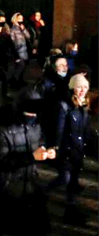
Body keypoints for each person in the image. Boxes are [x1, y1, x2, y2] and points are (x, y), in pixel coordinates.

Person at [0, 102, 55, 235]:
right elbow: (1, 161)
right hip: (9, 185)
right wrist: (31, 156)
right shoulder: (2, 132)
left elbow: (38, 142)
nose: (33, 116)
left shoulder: (33, 127)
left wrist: (46, 151)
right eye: (29, 113)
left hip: (29, 182)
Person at [47, 74, 90, 224]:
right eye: (79, 87)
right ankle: (40, 192)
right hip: (66, 150)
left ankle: (70, 212)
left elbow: (85, 131)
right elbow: (58, 129)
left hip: (77, 151)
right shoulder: (64, 105)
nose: (82, 90)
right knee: (65, 177)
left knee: (73, 182)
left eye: (85, 87)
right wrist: (55, 147)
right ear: (72, 88)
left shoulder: (84, 105)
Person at [8, 12, 31, 89]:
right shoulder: (13, 29)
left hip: (24, 50)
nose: (21, 20)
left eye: (22, 19)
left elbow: (28, 36)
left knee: (23, 67)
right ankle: (15, 83)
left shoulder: (22, 28)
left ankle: (20, 81)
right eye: (19, 19)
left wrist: (23, 29)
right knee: (19, 67)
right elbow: (12, 41)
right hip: (18, 50)